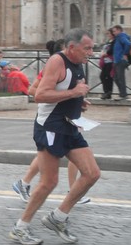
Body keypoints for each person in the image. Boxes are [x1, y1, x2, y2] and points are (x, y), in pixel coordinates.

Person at [9, 28, 101, 245]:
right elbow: (40, 95)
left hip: (70, 126)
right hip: (50, 127)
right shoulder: (56, 62)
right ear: (71, 48)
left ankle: (57, 217)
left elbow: (64, 92)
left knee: (92, 173)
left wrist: (78, 103)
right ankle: (20, 228)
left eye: (92, 48)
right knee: (49, 182)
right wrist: (74, 94)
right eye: (87, 48)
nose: (91, 52)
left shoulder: (78, 63)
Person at [12, 38, 90, 205]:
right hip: (52, 120)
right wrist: (60, 99)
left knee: (60, 155)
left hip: (68, 118)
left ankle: (26, 184)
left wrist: (76, 101)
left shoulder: (74, 66)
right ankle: (28, 197)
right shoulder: (54, 66)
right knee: (49, 174)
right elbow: (34, 90)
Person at [111, 24, 131, 101]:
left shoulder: (121, 36)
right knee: (116, 78)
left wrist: (125, 54)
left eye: (114, 31)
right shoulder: (118, 37)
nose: (113, 33)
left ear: (119, 30)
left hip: (120, 60)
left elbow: (128, 44)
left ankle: (123, 95)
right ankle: (122, 94)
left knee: (120, 78)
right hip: (117, 60)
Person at [99, 28, 115, 100]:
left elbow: (111, 51)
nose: (107, 35)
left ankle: (107, 92)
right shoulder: (108, 41)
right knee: (104, 77)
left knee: (107, 77)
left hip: (110, 62)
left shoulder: (114, 42)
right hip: (105, 61)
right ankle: (107, 93)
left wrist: (105, 54)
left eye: (109, 33)